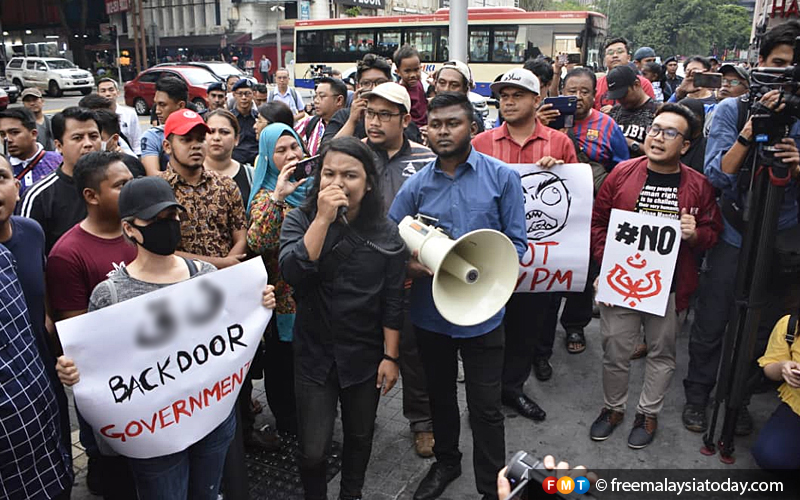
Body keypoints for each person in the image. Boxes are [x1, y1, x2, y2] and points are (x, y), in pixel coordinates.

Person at [56, 175, 277, 499]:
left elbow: (230, 340)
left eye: (172, 216)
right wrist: (73, 372)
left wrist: (258, 305)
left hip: (212, 422)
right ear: (130, 228)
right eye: (155, 219)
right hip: (154, 440)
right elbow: (99, 365)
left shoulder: (206, 277)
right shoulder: (110, 294)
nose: (168, 224)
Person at [389, 92, 527, 500]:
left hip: (484, 314)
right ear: (425, 129)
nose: (443, 131)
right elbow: (390, 240)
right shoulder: (416, 185)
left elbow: (516, 246)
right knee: (440, 396)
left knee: (486, 407)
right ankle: (447, 462)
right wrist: (414, 266)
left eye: (453, 123)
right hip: (432, 315)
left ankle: (492, 486)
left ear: (473, 127)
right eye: (436, 124)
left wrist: (492, 278)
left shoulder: (502, 177)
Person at [683, 20, 800, 436]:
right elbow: (715, 175)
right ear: (761, 64)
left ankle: (738, 397)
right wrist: (749, 135)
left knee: (761, 328)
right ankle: (698, 395)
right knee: (713, 320)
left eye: (795, 66)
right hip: (735, 230)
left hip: (782, 237)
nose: (787, 74)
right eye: (778, 63)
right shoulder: (733, 109)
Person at [589, 103, 722, 449]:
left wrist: (695, 235)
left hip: (671, 287)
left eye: (669, 133)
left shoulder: (700, 186)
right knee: (615, 349)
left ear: (686, 146)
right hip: (620, 282)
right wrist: (607, 264)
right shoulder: (621, 174)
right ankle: (612, 408)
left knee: (662, 354)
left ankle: (647, 413)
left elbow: (713, 232)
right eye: (655, 129)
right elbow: (599, 222)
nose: (657, 138)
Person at [280, 137, 405, 500]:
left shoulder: (385, 233)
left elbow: (393, 298)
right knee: (313, 448)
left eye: (349, 175)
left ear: (368, 183)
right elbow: (293, 272)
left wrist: (391, 356)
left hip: (364, 356)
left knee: (360, 436)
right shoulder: (301, 218)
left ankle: (352, 494)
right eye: (329, 173)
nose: (337, 182)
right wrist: (322, 218)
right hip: (314, 354)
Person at [472, 69, 577, 416]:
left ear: (537, 100)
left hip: (538, 261)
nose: (509, 101)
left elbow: (573, 196)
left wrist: (559, 171)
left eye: (517, 95)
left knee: (525, 329)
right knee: (488, 332)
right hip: (491, 253)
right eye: (503, 96)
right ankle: (485, 401)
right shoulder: (481, 143)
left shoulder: (559, 143)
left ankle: (512, 389)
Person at [45, 151, 138, 496]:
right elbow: (80, 335)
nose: (131, 191)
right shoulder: (67, 255)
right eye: (120, 185)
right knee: (114, 471)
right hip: (111, 387)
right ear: (91, 196)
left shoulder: (139, 231)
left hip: (151, 379)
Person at [361, 82, 438, 457]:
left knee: (412, 351)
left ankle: (421, 421)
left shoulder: (426, 158)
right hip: (363, 272)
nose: (374, 122)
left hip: (411, 274)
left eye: (385, 115)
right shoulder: (356, 155)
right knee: (364, 348)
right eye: (370, 113)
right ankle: (361, 419)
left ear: (406, 119)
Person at [0, 155, 73, 499]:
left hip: (41, 362)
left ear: (16, 184)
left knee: (56, 443)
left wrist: (48, 325)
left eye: (1, 177)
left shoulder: (31, 232)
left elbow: (41, 283)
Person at [246, 123, 308, 440]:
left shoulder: (313, 187)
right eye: (280, 151)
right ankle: (287, 422)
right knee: (283, 367)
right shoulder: (263, 198)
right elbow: (259, 241)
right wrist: (279, 196)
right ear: (268, 159)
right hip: (282, 302)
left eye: (293, 147)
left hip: (315, 299)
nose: (290, 155)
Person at [159, 109, 248, 269]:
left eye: (200, 139)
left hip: (228, 277)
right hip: (180, 282)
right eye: (186, 140)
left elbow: (241, 236)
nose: (195, 146)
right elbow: (162, 250)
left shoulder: (225, 184)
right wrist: (220, 265)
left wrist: (229, 267)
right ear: (167, 146)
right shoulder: (157, 190)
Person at [19, 107, 101, 253]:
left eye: (94, 136)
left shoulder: (118, 186)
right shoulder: (39, 197)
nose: (88, 143)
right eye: (78, 138)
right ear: (58, 145)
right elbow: (27, 254)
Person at [326, 54, 419, 143]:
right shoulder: (343, 116)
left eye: (380, 82)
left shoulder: (399, 116)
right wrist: (352, 121)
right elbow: (326, 154)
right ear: (358, 86)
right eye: (366, 83)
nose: (374, 88)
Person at [751, 313, 800, 469]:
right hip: (797, 407)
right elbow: (769, 369)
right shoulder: (790, 325)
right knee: (770, 454)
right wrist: (783, 367)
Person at [0, 108, 62, 198]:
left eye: (14, 132)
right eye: (2, 134)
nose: (8, 139)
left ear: (33, 134)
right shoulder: (3, 169)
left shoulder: (58, 162)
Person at [607, 65, 659, 158]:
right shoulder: (614, 112)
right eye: (617, 96)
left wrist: (631, 144)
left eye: (624, 94)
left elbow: (661, 153)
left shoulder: (658, 112)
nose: (621, 99)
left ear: (636, 85)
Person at [204, 109, 255, 205]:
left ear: (236, 139)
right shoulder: (190, 174)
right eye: (211, 131)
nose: (216, 138)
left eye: (224, 132)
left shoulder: (251, 176)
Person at [141, 76, 188, 176]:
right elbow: (153, 175)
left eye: (162, 105)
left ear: (180, 106)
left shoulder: (200, 131)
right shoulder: (153, 136)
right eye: (156, 104)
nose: (157, 111)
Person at [595, 38, 655, 112]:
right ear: (604, 59)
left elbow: (650, 111)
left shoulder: (643, 83)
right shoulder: (596, 85)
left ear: (628, 57)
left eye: (620, 52)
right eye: (610, 53)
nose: (615, 55)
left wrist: (615, 112)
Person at [432, 60, 485, 134]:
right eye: (442, 83)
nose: (446, 89)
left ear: (465, 89)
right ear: (435, 85)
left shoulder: (471, 119)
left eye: (454, 85)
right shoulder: (426, 112)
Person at [97, 77, 142, 155]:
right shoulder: (95, 115)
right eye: (103, 91)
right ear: (98, 94)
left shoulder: (130, 114)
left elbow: (136, 142)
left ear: (117, 92)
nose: (107, 94)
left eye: (111, 90)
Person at [302, 77, 346, 156]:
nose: (316, 101)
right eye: (316, 96)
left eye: (322, 96)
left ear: (339, 100)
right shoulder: (310, 123)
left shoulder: (350, 126)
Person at [394, 45, 428, 128]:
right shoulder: (399, 92)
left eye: (416, 70)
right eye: (407, 71)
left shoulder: (419, 84)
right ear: (398, 72)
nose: (413, 75)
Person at [230, 79, 260, 166]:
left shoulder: (258, 118)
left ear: (253, 95)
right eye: (240, 94)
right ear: (234, 95)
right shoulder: (229, 118)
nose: (244, 98)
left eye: (247, 94)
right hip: (235, 162)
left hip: (256, 162)